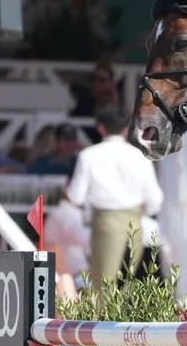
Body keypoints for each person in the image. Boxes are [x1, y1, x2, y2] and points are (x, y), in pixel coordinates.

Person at [64, 106, 165, 289]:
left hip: (105, 221)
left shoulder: (89, 155)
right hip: (134, 221)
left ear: (101, 128)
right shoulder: (139, 156)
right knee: (129, 282)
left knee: (103, 283)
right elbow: (155, 200)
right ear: (126, 128)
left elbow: (76, 196)